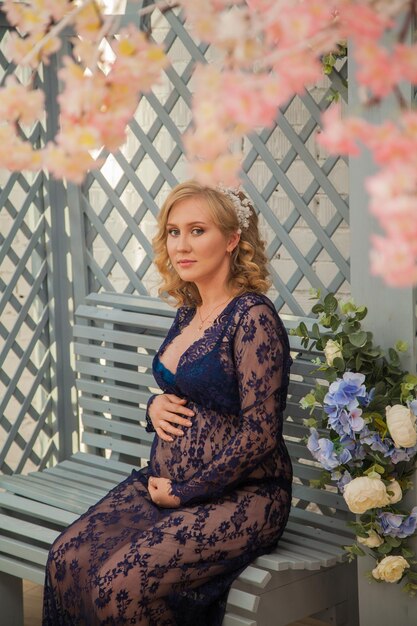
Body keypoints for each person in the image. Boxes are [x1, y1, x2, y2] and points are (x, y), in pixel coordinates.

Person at [42, 180, 293, 626]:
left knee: (119, 585)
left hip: (241, 497)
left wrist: (185, 492)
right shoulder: (189, 310)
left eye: (198, 230)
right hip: (167, 483)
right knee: (67, 558)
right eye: (173, 232)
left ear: (233, 239)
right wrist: (153, 407)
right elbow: (186, 389)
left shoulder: (253, 318)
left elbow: (261, 435)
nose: (182, 245)